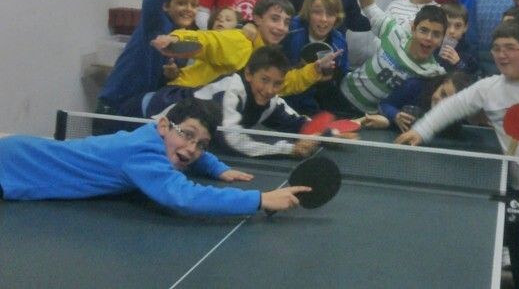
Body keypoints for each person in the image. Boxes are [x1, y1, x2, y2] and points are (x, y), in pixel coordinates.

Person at [396, 21, 519, 289]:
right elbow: (452, 106)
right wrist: (421, 130)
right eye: (496, 48)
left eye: (509, 48)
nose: (501, 55)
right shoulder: (489, 88)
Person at [0, 98, 310, 215]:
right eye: (187, 134)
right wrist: (259, 199)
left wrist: (215, 166)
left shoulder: (154, 137)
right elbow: (183, 196)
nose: (192, 149)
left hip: (19, 152)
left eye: (202, 144)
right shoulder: (142, 156)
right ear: (163, 125)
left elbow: (188, 147)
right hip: (11, 165)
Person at [146, 47, 319, 158]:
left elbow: (298, 123)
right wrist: (288, 149)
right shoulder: (231, 90)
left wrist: (324, 133)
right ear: (249, 74)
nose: (269, 90)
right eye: (264, 80)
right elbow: (233, 140)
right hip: (153, 110)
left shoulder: (270, 101)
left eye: (277, 84)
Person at [153, 0, 333, 96]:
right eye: (275, 19)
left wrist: (315, 69)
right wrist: (176, 39)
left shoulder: (266, 54)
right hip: (177, 96)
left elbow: (284, 83)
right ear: (257, 19)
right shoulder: (241, 41)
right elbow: (209, 41)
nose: (281, 27)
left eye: (286, 23)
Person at [97, 0, 203, 117]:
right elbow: (151, 0)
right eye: (182, 3)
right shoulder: (156, 23)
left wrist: (171, 75)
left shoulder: (184, 40)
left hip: (139, 112)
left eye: (194, 5)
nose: (189, 9)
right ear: (166, 6)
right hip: (113, 109)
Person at [340, 0, 446, 115]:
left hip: (382, 106)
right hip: (350, 90)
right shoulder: (395, 16)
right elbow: (370, 10)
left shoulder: (439, 15)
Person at [281, 0, 350, 115]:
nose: (324, 19)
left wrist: (330, 77)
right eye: (317, 12)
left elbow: (341, 78)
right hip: (283, 98)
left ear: (336, 17)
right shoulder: (289, 29)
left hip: (316, 105)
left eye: (330, 14)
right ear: (308, 13)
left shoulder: (339, 43)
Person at [368, 71, 471, 132]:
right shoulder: (414, 86)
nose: (441, 102)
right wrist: (395, 115)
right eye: (442, 93)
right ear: (441, 83)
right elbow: (385, 104)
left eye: (450, 101)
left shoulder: (458, 116)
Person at [438, 1, 478, 77]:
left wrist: (458, 63)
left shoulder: (470, 51)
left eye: (458, 26)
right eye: (447, 25)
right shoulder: (431, 47)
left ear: (465, 27)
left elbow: (474, 77)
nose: (452, 31)